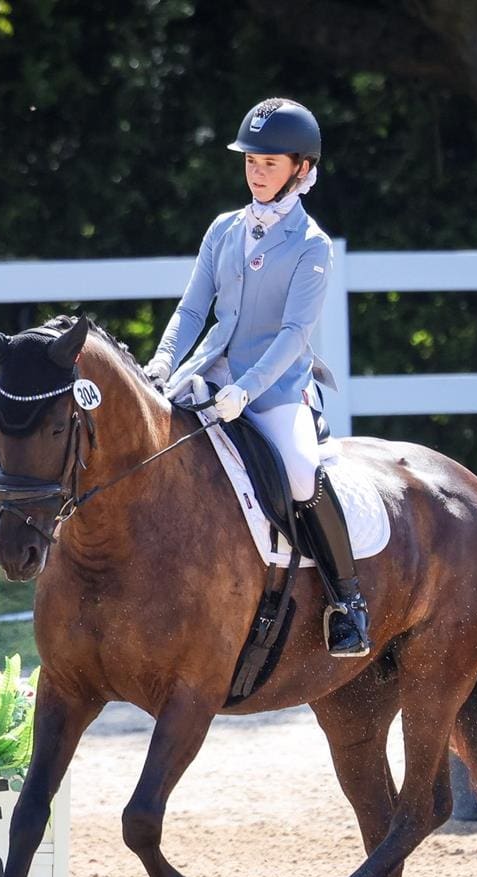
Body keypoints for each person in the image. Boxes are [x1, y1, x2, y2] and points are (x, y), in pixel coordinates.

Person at [145, 98, 370, 658]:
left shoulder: (311, 245)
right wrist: (161, 364)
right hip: (210, 373)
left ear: (302, 168)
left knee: (298, 473)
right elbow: (193, 310)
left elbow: (295, 332)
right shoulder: (223, 230)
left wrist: (247, 390)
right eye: (251, 161)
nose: (257, 172)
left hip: (274, 387)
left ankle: (349, 602)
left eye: (270, 163)